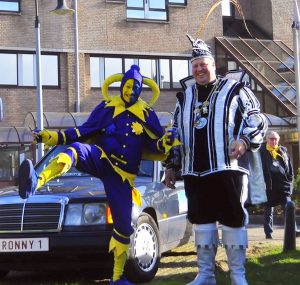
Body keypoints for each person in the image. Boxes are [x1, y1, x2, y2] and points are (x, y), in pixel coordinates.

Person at [18, 65, 179, 285]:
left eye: (136, 88)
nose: (130, 91)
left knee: (123, 227)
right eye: (128, 86)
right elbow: (81, 132)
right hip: (102, 159)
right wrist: (50, 137)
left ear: (141, 91)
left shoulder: (147, 115)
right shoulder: (106, 108)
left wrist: (167, 142)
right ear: (122, 86)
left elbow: (157, 145)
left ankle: (118, 277)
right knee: (76, 148)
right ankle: (36, 181)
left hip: (123, 176)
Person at [164, 35, 267, 285]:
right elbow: (174, 132)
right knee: (202, 222)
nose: (199, 69)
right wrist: (171, 166)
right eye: (195, 65)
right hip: (193, 172)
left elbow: (257, 118)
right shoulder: (184, 97)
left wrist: (243, 140)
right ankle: (206, 275)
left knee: (232, 219)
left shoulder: (235, 90)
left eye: (203, 64)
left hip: (226, 168)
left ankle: (238, 275)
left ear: (213, 65)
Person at [260, 131, 295, 239]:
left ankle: (292, 231)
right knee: (268, 211)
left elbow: (289, 166)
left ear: (278, 139)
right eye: (271, 138)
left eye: (275, 139)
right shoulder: (261, 150)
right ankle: (268, 233)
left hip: (283, 184)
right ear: (267, 139)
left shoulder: (283, 150)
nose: (273, 141)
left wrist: (290, 181)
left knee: (288, 209)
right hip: (269, 185)